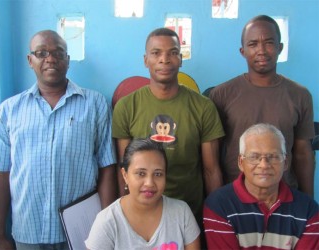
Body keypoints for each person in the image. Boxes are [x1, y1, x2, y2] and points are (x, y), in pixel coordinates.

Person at [0, 30, 116, 250]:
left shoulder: (95, 104)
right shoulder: (8, 112)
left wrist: (106, 228)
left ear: (67, 60)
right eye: (41, 52)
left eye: (58, 52)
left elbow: (107, 169)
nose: (50, 58)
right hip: (28, 232)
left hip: (83, 233)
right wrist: (0, 235)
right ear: (30, 60)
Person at [112, 28, 225, 225]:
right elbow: (124, 169)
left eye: (172, 53)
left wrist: (216, 219)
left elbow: (211, 170)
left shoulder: (203, 107)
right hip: (141, 214)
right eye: (156, 53)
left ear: (181, 59)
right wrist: (124, 216)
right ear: (146, 60)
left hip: (190, 214)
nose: (164, 59)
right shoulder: (127, 106)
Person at [209, 15, 315, 197]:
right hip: (235, 197)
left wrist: (308, 202)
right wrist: (216, 200)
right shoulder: (222, 94)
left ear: (280, 48)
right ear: (243, 51)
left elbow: (303, 153)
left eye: (269, 43)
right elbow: (212, 158)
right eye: (253, 44)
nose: (261, 50)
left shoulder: (299, 95)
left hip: (284, 197)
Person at [203, 123, 319, 249]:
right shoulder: (219, 205)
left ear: (285, 163)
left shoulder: (309, 210)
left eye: (273, 157)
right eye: (254, 157)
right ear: (241, 162)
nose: (264, 165)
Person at [85, 138, 201, 250]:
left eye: (158, 174)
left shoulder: (182, 214)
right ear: (125, 175)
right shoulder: (107, 222)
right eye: (141, 173)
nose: (149, 183)